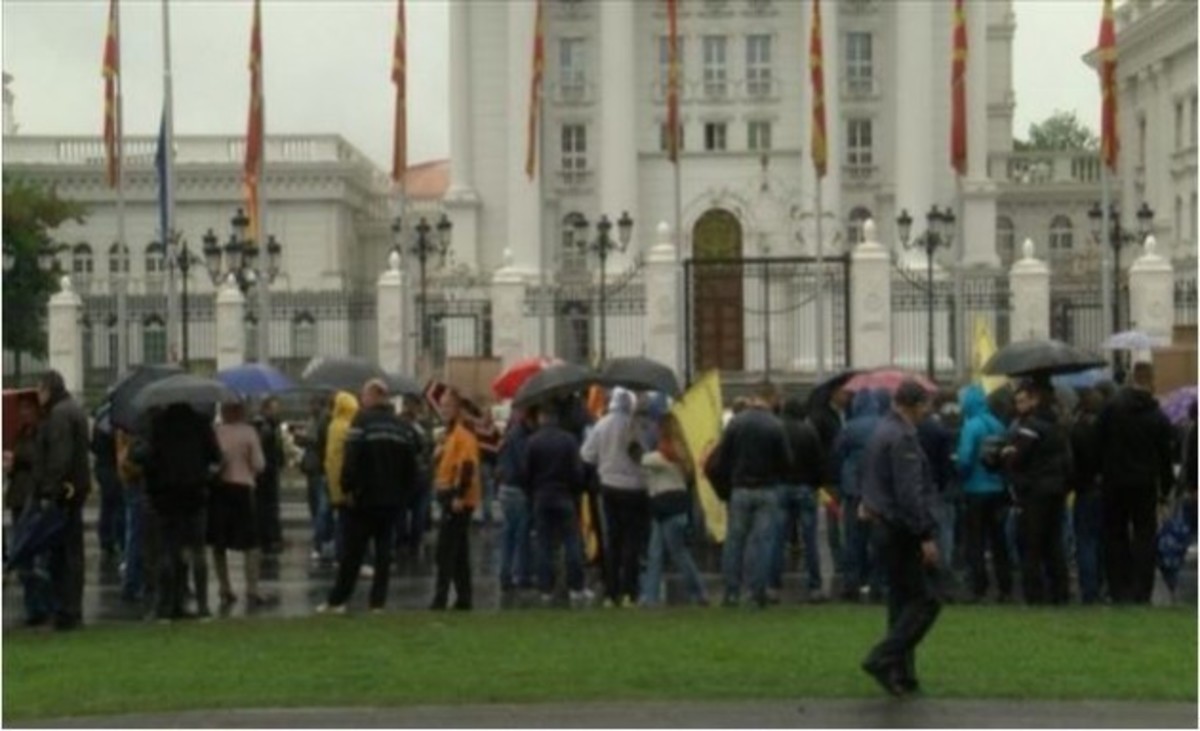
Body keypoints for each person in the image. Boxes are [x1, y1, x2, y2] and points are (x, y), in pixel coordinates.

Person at [859, 380, 942, 697]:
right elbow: (909, 493)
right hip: (902, 529)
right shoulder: (903, 437)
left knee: (901, 602)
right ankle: (883, 658)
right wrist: (925, 535)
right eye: (926, 405)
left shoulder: (882, 431)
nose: (929, 411)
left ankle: (901, 673)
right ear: (916, 405)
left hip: (884, 524)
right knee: (927, 600)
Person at [319, 379, 419, 614]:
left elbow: (351, 459)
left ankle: (338, 600)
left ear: (374, 396)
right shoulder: (401, 427)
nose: (361, 400)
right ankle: (377, 603)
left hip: (364, 499)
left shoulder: (361, 422)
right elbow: (411, 466)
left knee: (353, 553)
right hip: (391, 501)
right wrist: (403, 496)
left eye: (364, 395)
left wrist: (347, 488)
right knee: (384, 554)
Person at [706, 381, 792, 608]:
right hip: (766, 489)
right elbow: (786, 461)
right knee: (762, 542)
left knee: (735, 541)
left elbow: (722, 459)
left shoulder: (736, 423)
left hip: (740, 488)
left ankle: (731, 592)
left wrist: (727, 485)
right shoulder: (775, 425)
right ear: (772, 397)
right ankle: (757, 592)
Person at [1096, 362, 1175, 604]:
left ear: (1131, 380)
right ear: (1151, 381)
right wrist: (1166, 488)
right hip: (1144, 483)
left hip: (1114, 482)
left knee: (1114, 535)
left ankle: (1119, 589)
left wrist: (1101, 471)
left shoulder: (1111, 409)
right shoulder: (1158, 416)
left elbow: (1098, 442)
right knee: (1144, 536)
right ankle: (1142, 591)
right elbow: (1166, 457)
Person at [144, 403, 220, 620]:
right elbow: (215, 456)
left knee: (167, 551)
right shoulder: (200, 423)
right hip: (195, 493)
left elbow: (150, 458)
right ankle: (203, 605)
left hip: (166, 495)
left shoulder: (158, 424)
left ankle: (165, 606)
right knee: (197, 550)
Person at [31, 370, 91, 631]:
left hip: (64, 493)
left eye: (39, 389)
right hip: (76, 488)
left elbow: (59, 457)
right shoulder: (74, 409)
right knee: (73, 552)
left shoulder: (58, 415)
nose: (37, 394)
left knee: (61, 554)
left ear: (48, 389)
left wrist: (50, 491)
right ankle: (72, 607)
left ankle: (65, 609)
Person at [1001, 380, 1070, 605]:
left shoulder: (1031, 426)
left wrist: (1007, 454)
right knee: (1054, 544)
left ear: (1034, 399)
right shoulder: (1058, 424)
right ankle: (1060, 593)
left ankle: (1034, 595)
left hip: (1034, 491)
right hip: (1055, 489)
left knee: (1030, 545)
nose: (1019, 405)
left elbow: (1018, 458)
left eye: (1023, 400)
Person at [581, 387, 649, 608]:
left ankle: (612, 592)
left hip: (609, 487)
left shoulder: (601, 425)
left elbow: (586, 455)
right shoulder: (636, 425)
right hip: (636, 488)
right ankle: (630, 591)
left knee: (613, 540)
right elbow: (645, 456)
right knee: (632, 541)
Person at [521, 405, 591, 606]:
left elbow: (525, 473)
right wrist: (574, 490)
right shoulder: (568, 440)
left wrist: (532, 492)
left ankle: (545, 588)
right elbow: (577, 472)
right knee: (571, 542)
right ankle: (576, 586)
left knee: (544, 543)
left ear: (542, 417)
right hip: (564, 496)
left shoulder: (532, 441)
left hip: (541, 496)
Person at [640, 413, 708, 607]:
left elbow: (643, 459)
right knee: (664, 552)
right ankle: (651, 596)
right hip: (675, 507)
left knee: (669, 554)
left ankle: (697, 591)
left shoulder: (661, 454)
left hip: (663, 507)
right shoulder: (682, 452)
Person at [211, 400, 271, 610]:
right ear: (241, 411)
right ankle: (252, 588)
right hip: (243, 489)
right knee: (251, 543)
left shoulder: (215, 432)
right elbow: (259, 464)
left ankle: (224, 587)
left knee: (219, 542)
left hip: (219, 490)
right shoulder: (248, 432)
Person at [956, 384, 1012, 603]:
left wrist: (960, 473)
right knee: (999, 541)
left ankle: (978, 586)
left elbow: (965, 458)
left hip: (975, 489)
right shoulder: (998, 424)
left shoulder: (971, 426)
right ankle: (1005, 586)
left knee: (976, 541)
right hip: (997, 488)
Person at [833, 389, 889, 601]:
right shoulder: (885, 425)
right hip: (879, 490)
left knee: (853, 539)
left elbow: (838, 452)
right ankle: (878, 584)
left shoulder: (850, 427)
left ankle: (852, 584)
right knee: (879, 540)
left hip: (853, 489)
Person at [4, 396, 55, 625]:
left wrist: (17, 460)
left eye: (28, 408)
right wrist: (10, 465)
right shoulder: (21, 434)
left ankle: (42, 605)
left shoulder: (42, 433)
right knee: (21, 555)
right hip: (18, 497)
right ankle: (33, 607)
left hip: (32, 498)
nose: (24, 413)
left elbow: (39, 461)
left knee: (34, 554)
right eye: (22, 408)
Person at [770, 396, 826, 601]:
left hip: (781, 486)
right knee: (810, 540)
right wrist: (816, 485)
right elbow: (819, 462)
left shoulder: (777, 430)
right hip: (805, 487)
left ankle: (773, 585)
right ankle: (815, 586)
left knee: (777, 539)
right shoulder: (809, 432)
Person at [430, 389, 481, 611]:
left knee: (445, 552)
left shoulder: (463, 435)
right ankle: (464, 598)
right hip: (450, 497)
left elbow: (467, 466)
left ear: (458, 409)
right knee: (458, 553)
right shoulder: (451, 435)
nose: (443, 409)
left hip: (456, 499)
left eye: (448, 405)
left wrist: (459, 495)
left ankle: (440, 599)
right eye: (442, 405)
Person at [809, 385, 851, 579]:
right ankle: (838, 562)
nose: (848, 396)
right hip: (830, 477)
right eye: (844, 392)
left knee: (844, 521)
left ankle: (844, 561)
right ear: (834, 394)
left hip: (844, 476)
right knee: (832, 523)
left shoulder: (847, 415)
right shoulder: (822, 418)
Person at [1069, 388, 1105, 604]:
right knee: (1100, 540)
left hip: (1083, 490)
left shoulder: (1077, 431)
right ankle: (1100, 584)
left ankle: (1088, 589)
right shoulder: (1107, 429)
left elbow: (1072, 463)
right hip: (1103, 489)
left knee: (1085, 541)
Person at [496, 406, 536, 592]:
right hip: (517, 489)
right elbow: (523, 465)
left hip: (506, 487)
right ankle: (520, 575)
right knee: (521, 535)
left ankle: (505, 574)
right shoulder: (521, 435)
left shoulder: (510, 433)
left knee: (508, 535)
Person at [395, 394, 434, 562]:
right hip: (422, 475)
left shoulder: (398, 424)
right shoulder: (423, 426)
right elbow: (429, 449)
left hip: (406, 476)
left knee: (403, 512)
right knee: (418, 512)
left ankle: (403, 543)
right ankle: (413, 544)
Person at [297, 394, 334, 563]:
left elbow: (321, 443)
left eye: (313, 404)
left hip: (319, 469)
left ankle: (321, 542)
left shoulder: (324, 420)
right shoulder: (315, 420)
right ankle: (322, 539)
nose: (310, 408)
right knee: (316, 505)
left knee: (321, 507)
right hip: (313, 468)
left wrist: (305, 440)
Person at [324, 391, 360, 564]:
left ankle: (340, 556)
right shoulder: (347, 428)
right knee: (347, 523)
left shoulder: (334, 425)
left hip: (334, 482)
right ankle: (344, 556)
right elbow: (349, 457)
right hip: (345, 482)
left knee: (342, 520)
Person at [90, 410, 125, 564]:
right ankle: (114, 537)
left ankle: (106, 539)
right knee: (117, 504)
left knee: (107, 504)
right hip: (111, 467)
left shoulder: (101, 420)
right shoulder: (115, 422)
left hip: (103, 467)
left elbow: (94, 446)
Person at [253, 396, 284, 555]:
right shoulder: (266, 427)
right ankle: (269, 538)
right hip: (266, 473)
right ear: (266, 409)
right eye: (274, 408)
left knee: (267, 506)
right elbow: (264, 450)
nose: (277, 411)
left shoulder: (270, 425)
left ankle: (269, 537)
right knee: (268, 506)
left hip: (268, 471)